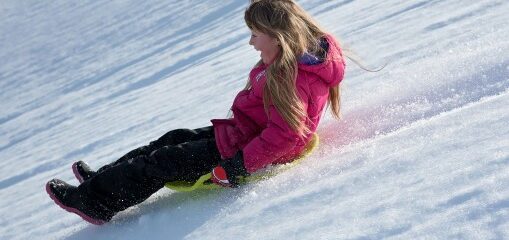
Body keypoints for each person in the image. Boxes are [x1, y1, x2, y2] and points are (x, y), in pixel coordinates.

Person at [46, 0, 345, 225]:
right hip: (242, 134)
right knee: (173, 138)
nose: (250, 42)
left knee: (163, 162)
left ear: (278, 37)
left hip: (243, 152)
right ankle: (102, 178)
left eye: (255, 35)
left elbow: (286, 135)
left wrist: (237, 166)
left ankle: (95, 202)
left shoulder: (288, 78)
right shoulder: (290, 63)